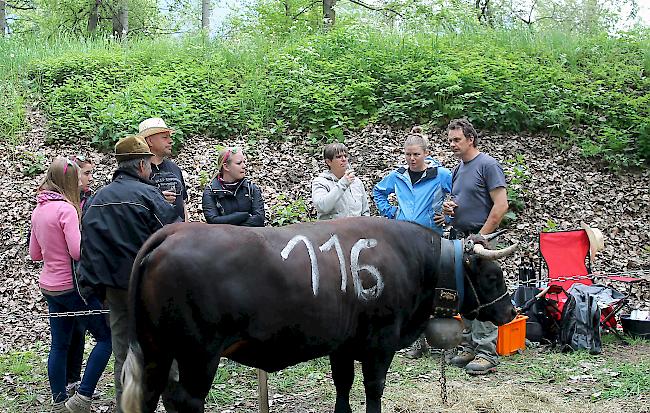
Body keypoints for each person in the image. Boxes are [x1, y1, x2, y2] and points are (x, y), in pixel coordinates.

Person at [77, 135, 180, 412]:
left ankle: (127, 408)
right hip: (152, 290)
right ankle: (175, 406)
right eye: (148, 163)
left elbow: (87, 249)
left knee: (123, 354)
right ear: (142, 166)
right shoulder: (149, 196)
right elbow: (176, 239)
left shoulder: (96, 199)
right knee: (166, 351)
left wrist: (95, 291)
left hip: (116, 292)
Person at [29, 157, 112, 413]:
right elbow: (77, 252)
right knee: (106, 338)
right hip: (71, 287)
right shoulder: (66, 209)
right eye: (77, 178)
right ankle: (83, 395)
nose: (81, 182)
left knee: (59, 344)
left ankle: (58, 399)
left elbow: (35, 254)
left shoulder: (39, 209)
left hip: (49, 287)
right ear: (67, 181)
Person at [435, 118, 509, 375]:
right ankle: (468, 345)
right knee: (464, 293)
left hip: (481, 240)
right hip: (459, 238)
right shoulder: (458, 169)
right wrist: (448, 208)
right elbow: (457, 202)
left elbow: (500, 207)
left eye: (456, 140)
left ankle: (486, 351)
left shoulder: (488, 165)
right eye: (450, 141)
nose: (452, 144)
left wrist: (481, 237)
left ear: (471, 139)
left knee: (484, 291)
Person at [373, 127, 452, 359]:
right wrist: (391, 212)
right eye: (407, 154)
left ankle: (443, 340)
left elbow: (458, 197)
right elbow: (379, 192)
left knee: (438, 288)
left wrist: (447, 217)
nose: (411, 159)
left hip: (431, 238)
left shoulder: (441, 175)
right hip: (404, 240)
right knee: (410, 290)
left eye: (416, 154)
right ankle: (416, 341)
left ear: (426, 153)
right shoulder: (398, 175)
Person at [65, 155, 95, 398]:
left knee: (81, 330)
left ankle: (74, 379)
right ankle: (67, 382)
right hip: (68, 276)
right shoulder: (63, 205)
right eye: (86, 173)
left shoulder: (91, 200)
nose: (90, 178)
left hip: (83, 274)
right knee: (71, 331)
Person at [139, 117, 189, 221]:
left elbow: (182, 203)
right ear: (150, 141)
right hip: (153, 234)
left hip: (179, 233)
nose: (171, 141)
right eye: (165, 137)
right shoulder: (139, 170)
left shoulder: (174, 168)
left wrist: (186, 227)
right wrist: (157, 200)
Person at [202, 146, 265, 226]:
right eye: (239, 163)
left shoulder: (251, 188)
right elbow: (213, 221)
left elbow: (259, 219)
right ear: (226, 166)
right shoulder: (211, 192)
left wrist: (232, 225)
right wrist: (243, 216)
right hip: (223, 238)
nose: (244, 166)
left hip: (250, 236)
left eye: (244, 162)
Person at [311, 142, 370, 220]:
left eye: (345, 156)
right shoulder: (321, 182)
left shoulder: (357, 182)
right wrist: (343, 183)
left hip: (356, 230)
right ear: (328, 162)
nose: (344, 159)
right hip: (331, 231)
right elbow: (322, 207)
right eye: (338, 157)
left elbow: (365, 212)